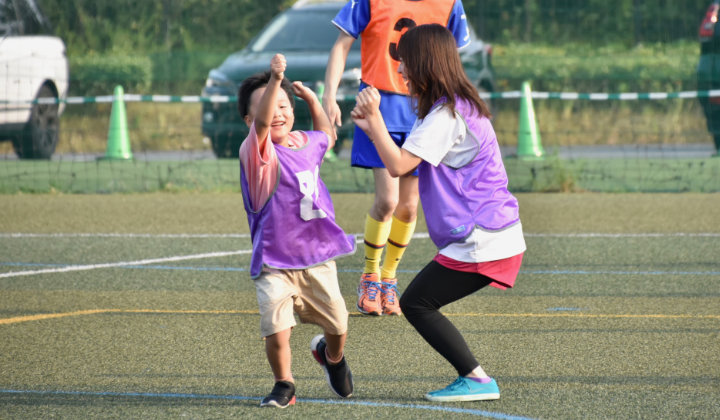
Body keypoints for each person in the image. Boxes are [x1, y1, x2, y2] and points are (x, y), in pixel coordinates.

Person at [350, 24, 526, 402]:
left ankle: (478, 380)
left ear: (425, 63)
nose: (400, 71)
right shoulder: (446, 109)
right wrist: (372, 127)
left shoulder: (445, 116)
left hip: (483, 236)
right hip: (491, 233)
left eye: (406, 63)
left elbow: (398, 166)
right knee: (419, 301)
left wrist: (376, 120)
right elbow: (405, 163)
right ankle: (476, 378)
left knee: (417, 303)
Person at [324, 0, 471, 316]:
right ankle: (370, 275)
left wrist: (457, 101)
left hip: (424, 107)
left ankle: (389, 278)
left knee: (409, 205)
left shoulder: (450, 4)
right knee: (388, 200)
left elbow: (452, 56)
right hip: (378, 107)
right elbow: (342, 43)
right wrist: (329, 95)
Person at [237, 53, 356, 408]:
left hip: (317, 256)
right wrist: (275, 80)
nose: (277, 112)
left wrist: (313, 100)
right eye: (269, 106)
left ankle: (331, 357)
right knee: (277, 330)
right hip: (275, 260)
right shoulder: (256, 152)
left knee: (338, 323)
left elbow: (327, 135)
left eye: (284, 106)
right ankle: (284, 383)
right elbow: (262, 124)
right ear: (250, 118)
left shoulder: (305, 142)